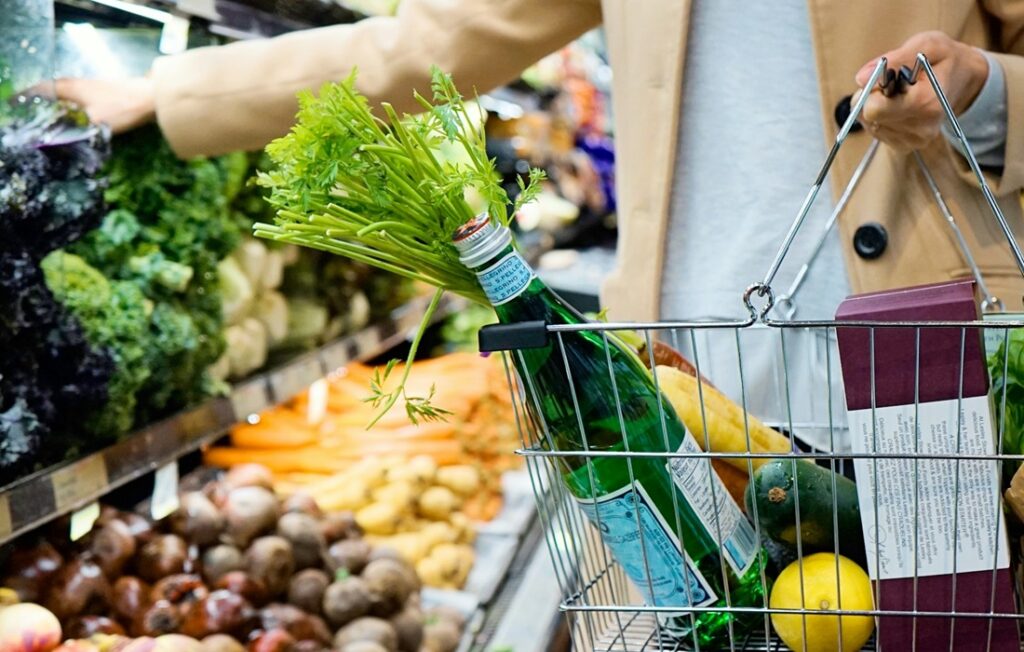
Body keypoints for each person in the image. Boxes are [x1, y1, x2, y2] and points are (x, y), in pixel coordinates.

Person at [55, 0, 1024, 448]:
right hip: (688, 372)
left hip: (935, 365)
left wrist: (981, 99)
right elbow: (425, 45)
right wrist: (170, 92)